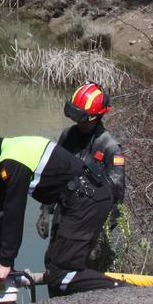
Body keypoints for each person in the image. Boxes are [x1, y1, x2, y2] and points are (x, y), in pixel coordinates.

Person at [0, 121, 122, 298]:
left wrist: (5, 263)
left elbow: (13, 213)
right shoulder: (13, 149)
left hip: (88, 203)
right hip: (84, 200)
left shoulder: (13, 161)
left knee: (62, 273)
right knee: (53, 263)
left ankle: (125, 291)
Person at [36, 82, 127, 271]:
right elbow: (53, 174)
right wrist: (45, 211)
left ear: (96, 117)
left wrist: (103, 230)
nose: (80, 124)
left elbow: (116, 193)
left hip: (90, 222)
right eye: (77, 119)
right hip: (64, 215)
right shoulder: (68, 136)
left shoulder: (110, 148)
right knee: (53, 262)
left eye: (84, 120)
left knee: (82, 268)